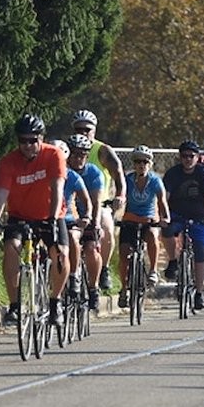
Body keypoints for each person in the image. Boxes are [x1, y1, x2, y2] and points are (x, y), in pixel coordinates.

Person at [0, 114, 69, 330]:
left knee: (59, 252)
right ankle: (15, 305)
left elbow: (58, 187)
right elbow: (1, 194)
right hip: (20, 216)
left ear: (41, 138)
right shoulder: (8, 162)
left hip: (50, 214)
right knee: (11, 248)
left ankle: (56, 302)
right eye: (22, 140)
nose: (27, 145)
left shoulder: (54, 155)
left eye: (32, 140)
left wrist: (52, 219)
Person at [70, 110, 126, 292]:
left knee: (106, 227)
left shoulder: (102, 151)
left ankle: (104, 269)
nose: (82, 133)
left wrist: (120, 196)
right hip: (71, 203)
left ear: (94, 130)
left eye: (87, 129)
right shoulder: (69, 147)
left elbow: (118, 175)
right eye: (78, 129)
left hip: (98, 203)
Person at [162, 140, 204, 310]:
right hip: (177, 214)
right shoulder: (172, 174)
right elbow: (165, 197)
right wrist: (163, 216)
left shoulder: (203, 174)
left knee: (200, 249)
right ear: (180, 157)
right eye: (184, 156)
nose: (187, 159)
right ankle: (172, 260)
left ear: (197, 157)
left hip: (199, 216)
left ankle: (199, 292)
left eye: (191, 156)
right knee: (167, 230)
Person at [116, 145, 169, 309]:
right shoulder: (127, 180)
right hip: (130, 220)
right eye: (138, 161)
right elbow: (121, 197)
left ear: (150, 164)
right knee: (124, 253)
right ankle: (124, 289)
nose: (141, 165)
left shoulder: (155, 181)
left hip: (148, 220)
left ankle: (153, 271)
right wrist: (116, 212)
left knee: (153, 235)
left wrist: (165, 218)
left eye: (145, 162)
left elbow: (162, 202)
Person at [66, 133, 104, 311]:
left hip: (87, 217)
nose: (78, 158)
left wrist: (95, 224)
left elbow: (96, 202)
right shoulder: (63, 171)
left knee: (91, 248)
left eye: (82, 155)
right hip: (68, 217)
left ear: (87, 156)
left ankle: (93, 287)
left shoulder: (93, 173)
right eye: (74, 154)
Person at [53, 139, 92, 302]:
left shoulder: (73, 176)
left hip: (68, 218)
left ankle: (74, 275)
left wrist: (87, 216)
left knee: (72, 236)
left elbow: (87, 201)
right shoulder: (40, 174)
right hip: (46, 217)